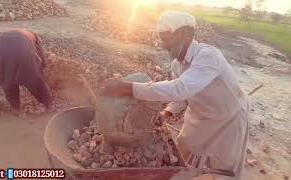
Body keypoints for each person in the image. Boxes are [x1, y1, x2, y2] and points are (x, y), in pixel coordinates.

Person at [99, 11, 249, 180]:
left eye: (165, 38)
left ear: (183, 34)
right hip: (199, 116)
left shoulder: (208, 56)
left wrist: (128, 88)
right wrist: (167, 112)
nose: (162, 45)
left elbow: (181, 88)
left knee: (221, 168)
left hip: (227, 118)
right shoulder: (177, 65)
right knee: (184, 148)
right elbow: (182, 97)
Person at [0, 29, 54, 114]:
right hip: (23, 47)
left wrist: (1, 69)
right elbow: (41, 58)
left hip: (2, 50)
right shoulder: (35, 37)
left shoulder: (5, 35)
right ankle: (49, 106)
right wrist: (41, 69)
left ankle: (15, 109)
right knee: (36, 80)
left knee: (8, 80)